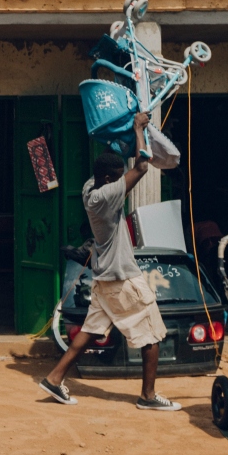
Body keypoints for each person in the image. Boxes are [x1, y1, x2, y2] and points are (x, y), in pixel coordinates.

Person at [40, 112, 180, 411]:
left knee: (89, 332)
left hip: (105, 278)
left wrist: (123, 138)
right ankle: (148, 395)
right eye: (118, 177)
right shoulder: (105, 195)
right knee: (152, 334)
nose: (121, 180)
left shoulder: (90, 187)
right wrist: (139, 129)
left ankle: (53, 379)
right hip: (122, 278)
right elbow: (142, 165)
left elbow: (112, 160)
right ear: (108, 179)